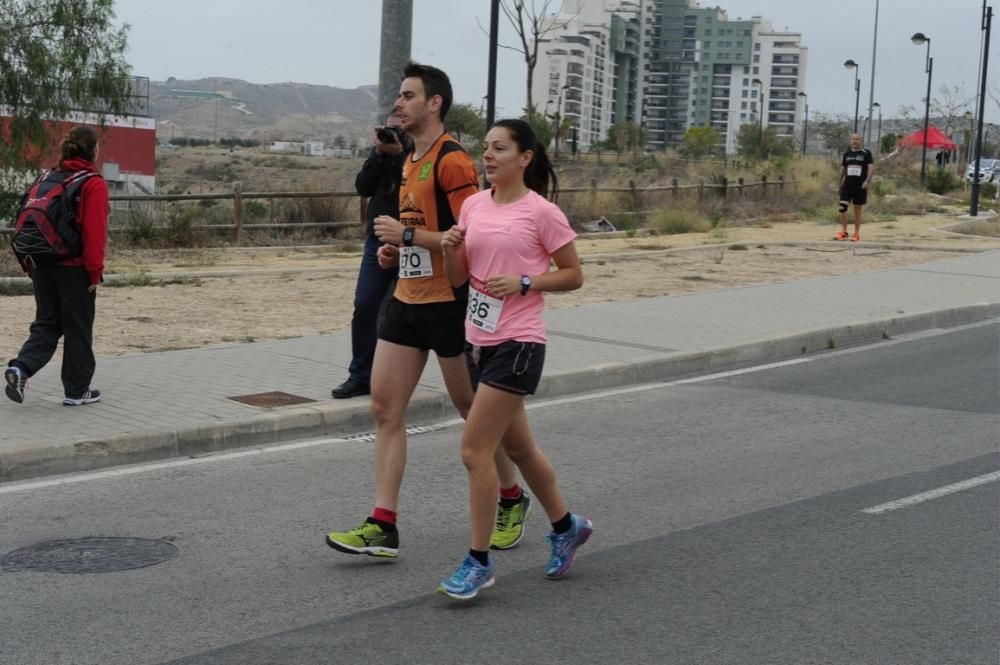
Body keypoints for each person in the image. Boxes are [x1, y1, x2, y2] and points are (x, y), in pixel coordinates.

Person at [325, 63, 530, 558]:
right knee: (383, 408)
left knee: (470, 410)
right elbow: (425, 231)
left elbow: (474, 236)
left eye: (408, 95)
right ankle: (383, 523)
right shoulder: (408, 159)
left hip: (450, 305)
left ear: (433, 103)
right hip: (407, 298)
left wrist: (409, 236)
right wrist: (398, 252)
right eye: (400, 95)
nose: (399, 103)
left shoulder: (453, 160)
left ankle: (511, 497)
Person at [437, 119, 591, 600]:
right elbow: (459, 279)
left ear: (524, 158)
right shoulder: (474, 205)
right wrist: (448, 250)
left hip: (521, 342)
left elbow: (573, 275)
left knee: (473, 450)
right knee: (521, 450)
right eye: (485, 148)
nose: (487, 156)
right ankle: (567, 526)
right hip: (478, 338)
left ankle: (478, 562)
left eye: (499, 148)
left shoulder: (541, 212)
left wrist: (526, 282)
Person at [5, 125, 109, 406]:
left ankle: (21, 368)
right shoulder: (92, 183)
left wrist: (29, 264)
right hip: (73, 267)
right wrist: (94, 273)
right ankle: (77, 390)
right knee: (78, 327)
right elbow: (94, 234)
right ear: (92, 150)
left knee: (47, 323)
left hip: (40, 262)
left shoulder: (47, 176)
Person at [331, 114, 409, 399]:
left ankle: (396, 377)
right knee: (364, 305)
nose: (393, 133)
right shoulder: (380, 152)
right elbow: (363, 187)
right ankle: (361, 376)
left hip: (411, 241)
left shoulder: (417, 151)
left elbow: (414, 183)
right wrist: (378, 153)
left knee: (401, 313)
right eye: (389, 128)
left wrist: (400, 153)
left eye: (398, 127)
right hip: (375, 241)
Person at [836, 132, 875, 242]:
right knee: (842, 208)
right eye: (853, 139)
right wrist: (839, 184)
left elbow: (871, 168)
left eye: (857, 139)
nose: (855, 141)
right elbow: (842, 170)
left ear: (861, 141)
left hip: (860, 186)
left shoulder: (866, 153)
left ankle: (856, 234)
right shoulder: (847, 154)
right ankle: (844, 231)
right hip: (847, 185)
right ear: (850, 141)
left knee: (857, 211)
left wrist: (867, 180)